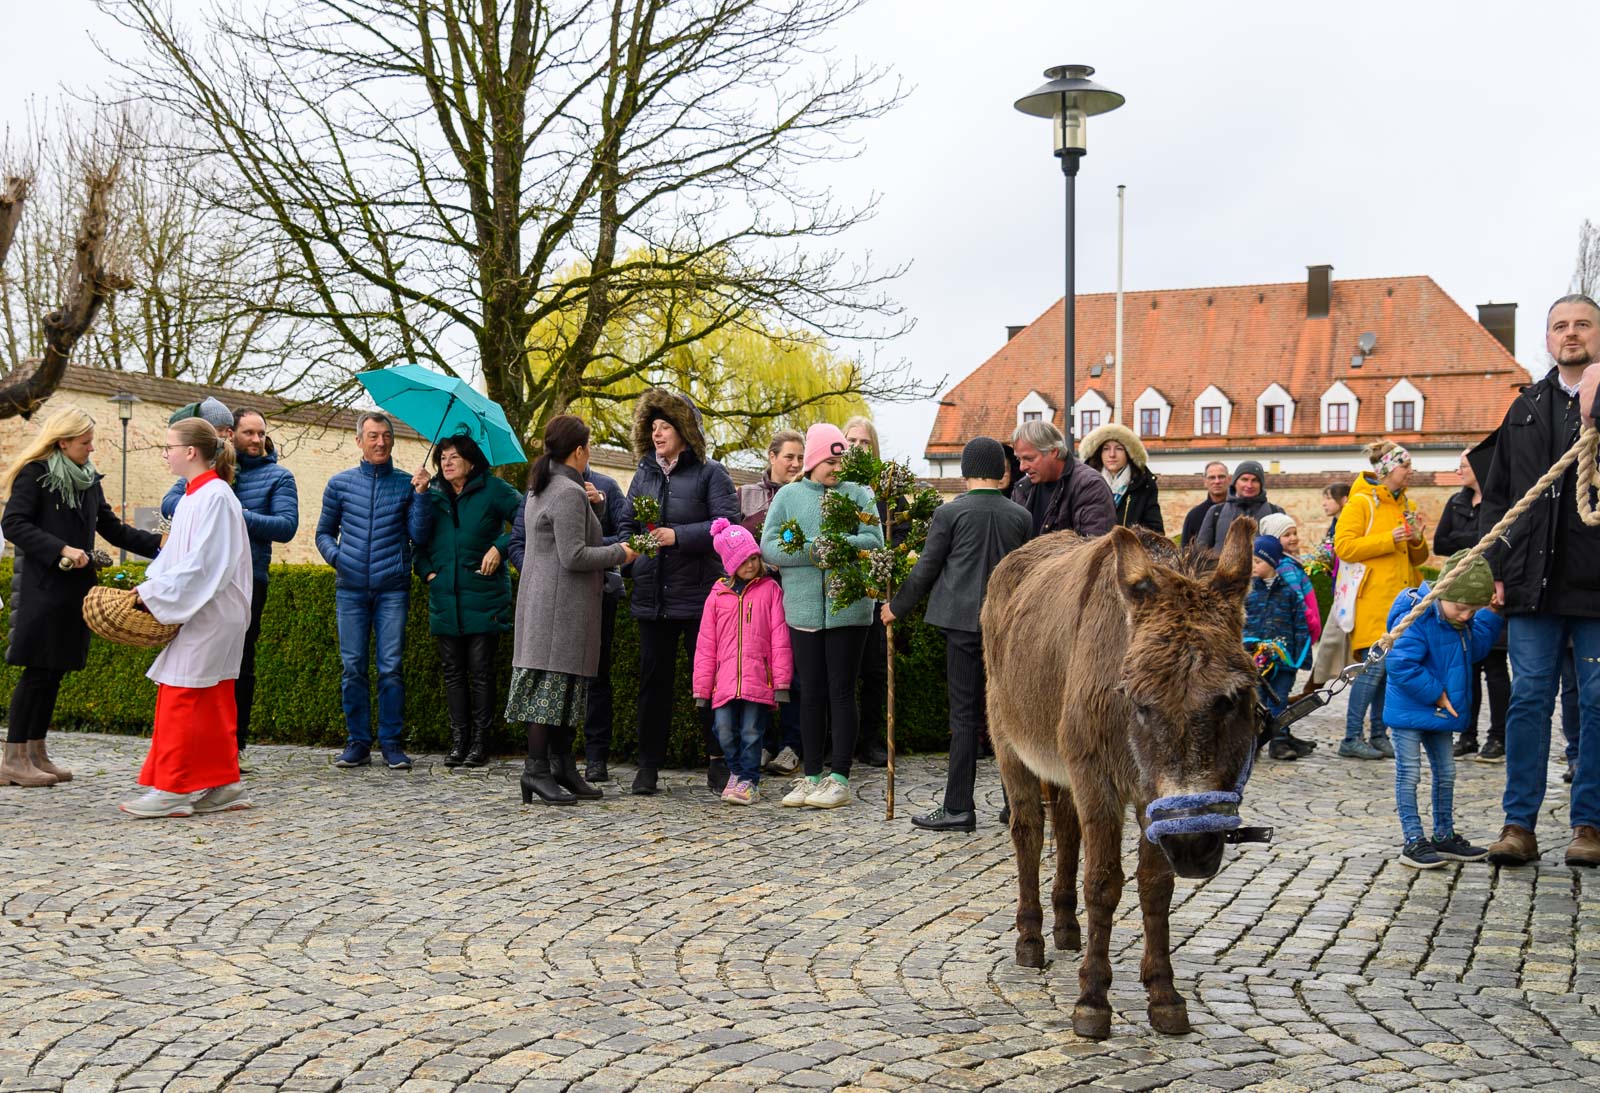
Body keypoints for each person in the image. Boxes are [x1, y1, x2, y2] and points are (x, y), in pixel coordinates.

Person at [1477, 294, 1600, 868]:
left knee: (1596, 701)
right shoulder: (1524, 407)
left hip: (1595, 584)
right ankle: (1518, 825)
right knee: (1528, 700)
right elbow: (1498, 498)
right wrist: (1496, 571)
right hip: (1533, 583)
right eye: (1560, 326)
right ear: (1548, 340)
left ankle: (1589, 824)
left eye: (1583, 324)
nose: (1570, 334)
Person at [1, 409, 164, 788]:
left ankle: (36, 752)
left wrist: (161, 544)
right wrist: (61, 548)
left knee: (55, 671)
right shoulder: (35, 474)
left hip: (75, 591)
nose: (92, 448)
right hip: (42, 589)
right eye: (85, 442)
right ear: (63, 441)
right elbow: (14, 524)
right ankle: (12, 758)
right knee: (37, 671)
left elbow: (113, 529)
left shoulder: (89, 480)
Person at [882, 437, 1030, 832]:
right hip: (1006, 627)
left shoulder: (950, 513)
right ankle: (1016, 806)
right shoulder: (1020, 516)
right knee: (1006, 717)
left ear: (965, 470)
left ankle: (958, 807)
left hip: (962, 625)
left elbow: (926, 568)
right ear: (1001, 470)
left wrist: (896, 607)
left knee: (964, 717)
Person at [120, 418, 255, 818]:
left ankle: (174, 788)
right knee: (211, 698)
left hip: (212, 610)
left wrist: (154, 594)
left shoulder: (215, 497)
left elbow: (205, 564)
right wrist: (151, 587)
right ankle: (225, 783)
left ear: (191, 452)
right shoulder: (196, 496)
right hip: (205, 608)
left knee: (183, 693)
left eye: (169, 447)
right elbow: (177, 558)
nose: (165, 454)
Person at [159, 408, 298, 773]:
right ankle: (204, 748)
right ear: (230, 434)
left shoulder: (278, 476)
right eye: (248, 432)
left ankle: (232, 748)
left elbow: (286, 526)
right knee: (201, 667)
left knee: (239, 665)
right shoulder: (212, 473)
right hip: (204, 579)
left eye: (261, 433)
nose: (256, 440)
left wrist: (235, 513)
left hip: (248, 579)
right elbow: (170, 503)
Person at [509, 415, 637, 805]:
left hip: (549, 604)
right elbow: (574, 555)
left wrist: (595, 509)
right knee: (549, 693)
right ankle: (536, 770)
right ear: (579, 450)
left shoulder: (543, 487)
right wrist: (621, 553)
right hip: (559, 608)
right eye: (589, 446)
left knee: (564, 691)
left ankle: (562, 766)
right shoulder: (566, 491)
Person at [619, 388, 740, 796]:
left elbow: (727, 526)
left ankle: (718, 761)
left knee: (707, 684)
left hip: (699, 599)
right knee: (652, 686)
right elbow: (626, 525)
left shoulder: (711, 473)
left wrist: (678, 536)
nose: (657, 434)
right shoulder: (644, 473)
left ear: (684, 430)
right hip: (652, 598)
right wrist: (632, 557)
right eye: (652, 427)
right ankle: (648, 767)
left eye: (665, 426)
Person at [760, 423, 884, 809]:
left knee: (842, 691)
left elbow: (874, 542)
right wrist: (814, 551)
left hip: (849, 609)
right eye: (831, 460)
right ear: (813, 460)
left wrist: (838, 545)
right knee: (811, 692)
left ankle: (840, 777)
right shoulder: (788, 496)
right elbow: (769, 546)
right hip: (803, 609)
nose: (837, 467)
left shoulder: (859, 494)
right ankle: (812, 775)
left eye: (840, 460)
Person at [316, 411, 434, 771]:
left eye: (386, 436)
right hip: (350, 590)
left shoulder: (406, 484)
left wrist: (422, 495)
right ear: (359, 441)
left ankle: (392, 744)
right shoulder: (339, 484)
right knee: (353, 667)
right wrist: (339, 559)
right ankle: (357, 743)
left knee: (391, 668)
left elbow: (420, 535)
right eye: (373, 436)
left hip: (392, 591)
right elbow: (323, 534)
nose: (380, 442)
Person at [1382, 551, 1503, 869]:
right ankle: (1412, 840)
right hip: (1410, 711)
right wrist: (1435, 693)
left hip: (1439, 715)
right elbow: (1400, 664)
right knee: (1409, 774)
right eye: (1461, 608)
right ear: (1443, 593)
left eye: (1472, 610)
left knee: (1446, 773)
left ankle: (1443, 835)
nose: (1465, 616)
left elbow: (1473, 651)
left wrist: (1490, 615)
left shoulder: (1459, 621)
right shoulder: (1418, 617)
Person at [415, 433, 522, 768]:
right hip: (445, 597)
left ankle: (480, 742)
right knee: (453, 673)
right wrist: (428, 573)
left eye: (454, 457)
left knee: (481, 672)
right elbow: (416, 539)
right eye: (443, 457)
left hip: (484, 594)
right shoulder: (432, 494)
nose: (446, 463)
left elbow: (528, 517)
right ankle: (458, 740)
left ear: (471, 462)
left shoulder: (495, 490)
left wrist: (500, 547)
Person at [1334, 440, 1428, 761]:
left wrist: (1416, 540)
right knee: (1371, 671)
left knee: (1389, 673)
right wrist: (1389, 538)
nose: (1410, 471)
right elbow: (1344, 547)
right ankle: (1351, 737)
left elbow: (1418, 557)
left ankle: (1378, 734)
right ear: (1387, 469)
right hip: (1372, 602)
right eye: (1405, 465)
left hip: (1401, 603)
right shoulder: (1361, 503)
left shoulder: (1405, 504)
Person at [692, 518, 792, 805]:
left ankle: (749, 780)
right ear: (730, 563)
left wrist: (781, 682)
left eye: (753, 558)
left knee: (751, 732)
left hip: (758, 678)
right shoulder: (717, 595)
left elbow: (780, 638)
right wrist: (702, 688)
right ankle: (736, 773)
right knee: (723, 730)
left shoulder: (770, 590)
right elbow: (706, 645)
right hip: (723, 681)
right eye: (743, 560)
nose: (750, 564)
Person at [737, 429, 806, 777]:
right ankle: (761, 742)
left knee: (791, 672)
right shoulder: (746, 495)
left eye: (800, 457)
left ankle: (792, 745)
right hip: (756, 594)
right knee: (758, 668)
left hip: (793, 592)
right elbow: (733, 541)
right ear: (772, 456)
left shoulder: (806, 495)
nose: (795, 463)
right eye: (789, 456)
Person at [1432, 449, 1509, 761]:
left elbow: (1499, 541)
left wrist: (1466, 539)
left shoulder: (1500, 501)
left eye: (1463, 465)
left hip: (1491, 592)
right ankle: (1467, 734)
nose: (1458, 471)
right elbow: (1441, 542)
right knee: (1467, 668)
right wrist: (1475, 539)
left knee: (1496, 668)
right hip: (1460, 592)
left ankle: (1498, 737)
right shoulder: (1456, 502)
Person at [843, 415, 891, 769]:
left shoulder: (885, 491)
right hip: (842, 592)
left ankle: (871, 741)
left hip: (875, 593)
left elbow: (897, 535)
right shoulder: (833, 485)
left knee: (874, 672)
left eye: (864, 442)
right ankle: (836, 741)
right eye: (852, 441)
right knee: (840, 672)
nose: (858, 448)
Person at [1245, 536, 1311, 761]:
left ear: (1272, 562)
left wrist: (1300, 658)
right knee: (1255, 701)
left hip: (1283, 662)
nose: (1253, 566)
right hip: (1254, 661)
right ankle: (1252, 743)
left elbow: (1300, 625)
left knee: (1279, 700)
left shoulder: (1289, 594)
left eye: (1257, 561)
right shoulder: (1247, 593)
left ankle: (1279, 741)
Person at [1008, 420, 1114, 539]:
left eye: (1029, 458)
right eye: (1019, 459)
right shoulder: (1022, 488)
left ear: (1054, 451)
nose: (1022, 467)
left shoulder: (1090, 486)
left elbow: (1095, 545)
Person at [1305, 481, 1353, 691]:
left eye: (1328, 498)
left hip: (1349, 591)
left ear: (1344, 500)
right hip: (1339, 590)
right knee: (1330, 641)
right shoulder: (1334, 526)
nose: (1324, 503)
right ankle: (1312, 687)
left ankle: (1311, 688)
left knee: (1332, 641)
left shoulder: (1348, 526)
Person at [1079, 423, 1163, 533]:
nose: (1112, 454)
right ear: (1099, 453)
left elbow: (1155, 531)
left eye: (1119, 448)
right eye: (1106, 449)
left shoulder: (1144, 485)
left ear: (1129, 453)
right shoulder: (1086, 484)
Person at [157, 397, 237, 513]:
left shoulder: (217, 493)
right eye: (220, 429)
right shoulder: (196, 477)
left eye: (227, 430)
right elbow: (168, 503)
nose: (225, 435)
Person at [1195, 461, 1284, 552]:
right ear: (1235, 482)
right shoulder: (1216, 512)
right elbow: (1201, 551)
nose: (1249, 485)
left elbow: (1286, 550)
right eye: (1244, 479)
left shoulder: (1276, 512)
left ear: (1261, 485)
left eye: (1255, 480)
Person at [1181, 461, 1230, 546]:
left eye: (1221, 477)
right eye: (1212, 477)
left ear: (1229, 480)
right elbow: (1185, 549)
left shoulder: (1238, 510)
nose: (1217, 481)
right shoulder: (1194, 515)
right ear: (1205, 482)